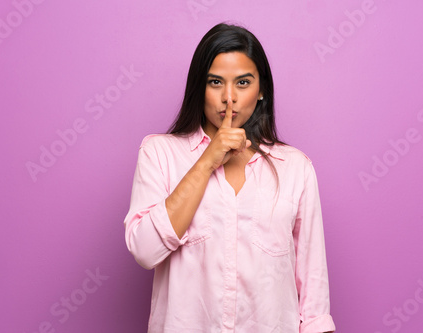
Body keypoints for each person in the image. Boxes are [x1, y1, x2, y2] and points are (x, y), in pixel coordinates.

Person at [124, 22, 336, 333]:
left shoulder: (295, 167)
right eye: (215, 82)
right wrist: (207, 161)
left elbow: (314, 296)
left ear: (261, 89)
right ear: (200, 87)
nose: (229, 98)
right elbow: (145, 250)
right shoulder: (160, 153)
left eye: (243, 82)